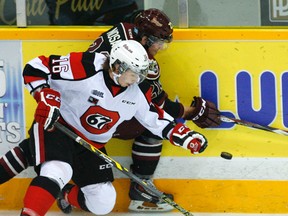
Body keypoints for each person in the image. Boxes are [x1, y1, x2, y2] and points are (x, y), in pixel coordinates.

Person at [19, 40, 208, 216]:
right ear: (118, 66)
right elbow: (36, 67)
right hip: (60, 128)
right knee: (58, 171)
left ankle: (65, 194)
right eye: (133, 73)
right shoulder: (88, 65)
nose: (137, 79)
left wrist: (186, 136)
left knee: (103, 202)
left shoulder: (137, 91)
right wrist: (43, 94)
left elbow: (155, 119)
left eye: (141, 73)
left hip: (91, 145)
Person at [63, 8, 218, 213]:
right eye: (158, 41)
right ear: (144, 38)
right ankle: (141, 188)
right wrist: (191, 113)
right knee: (152, 127)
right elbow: (157, 107)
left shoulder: (123, 30)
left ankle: (66, 193)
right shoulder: (136, 58)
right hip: (98, 115)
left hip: (76, 108)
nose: (161, 47)